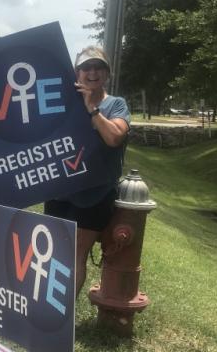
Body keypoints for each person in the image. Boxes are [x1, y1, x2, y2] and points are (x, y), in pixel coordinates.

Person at [44, 46, 131, 295]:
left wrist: (93, 109)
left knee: (75, 254)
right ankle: (45, 309)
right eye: (86, 67)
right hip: (60, 190)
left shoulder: (116, 104)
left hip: (95, 193)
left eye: (98, 67)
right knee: (53, 252)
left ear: (107, 73)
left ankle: (60, 317)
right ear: (77, 72)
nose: (92, 72)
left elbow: (114, 137)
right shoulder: (62, 101)